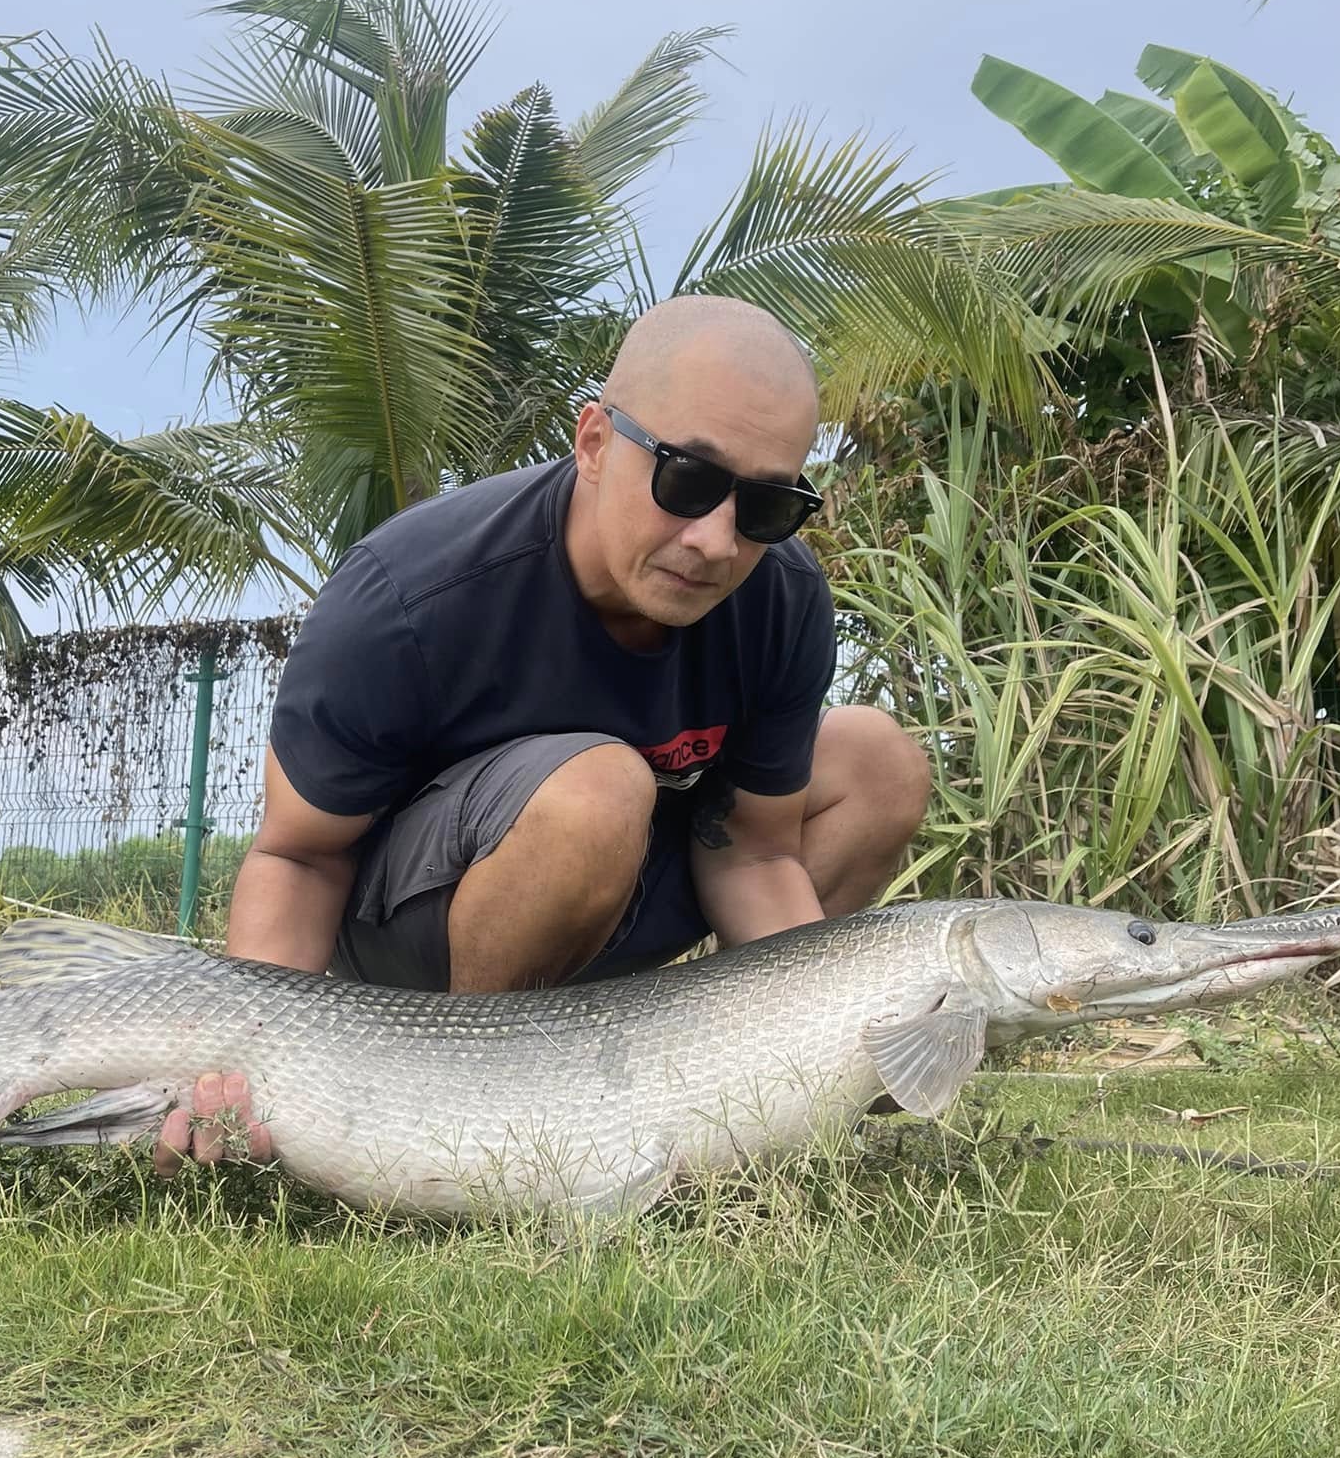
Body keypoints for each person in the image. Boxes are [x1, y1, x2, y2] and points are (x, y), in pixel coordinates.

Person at [152, 294, 931, 1175]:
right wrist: (244, 1062)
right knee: (597, 792)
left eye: (765, 506)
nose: (717, 542)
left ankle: (731, 1090)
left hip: (618, 904)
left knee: (877, 763)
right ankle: (470, 1112)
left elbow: (755, 852)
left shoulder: (780, 598)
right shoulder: (408, 594)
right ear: (594, 442)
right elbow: (301, 857)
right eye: (687, 480)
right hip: (414, 949)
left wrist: (819, 1041)